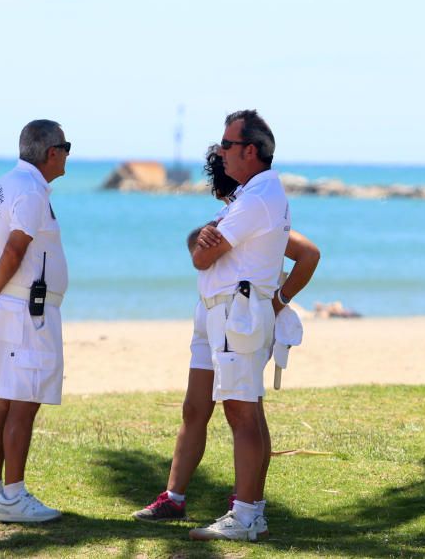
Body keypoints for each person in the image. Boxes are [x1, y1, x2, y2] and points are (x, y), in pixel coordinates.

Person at [132, 145, 319, 531]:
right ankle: (174, 497)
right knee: (195, 407)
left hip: (239, 316)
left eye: (223, 190)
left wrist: (278, 301)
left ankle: (247, 505)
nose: (223, 197)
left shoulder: (256, 208)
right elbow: (199, 249)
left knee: (245, 410)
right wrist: (207, 238)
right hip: (212, 312)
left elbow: (309, 254)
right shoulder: (234, 210)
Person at [181, 110, 292, 542]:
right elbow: (207, 248)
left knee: (241, 412)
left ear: (251, 150)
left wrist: (207, 240)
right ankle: (252, 511)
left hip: (237, 312)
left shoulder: (256, 197)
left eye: (227, 144)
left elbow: (203, 256)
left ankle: (245, 515)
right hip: (237, 310)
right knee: (248, 410)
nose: (220, 151)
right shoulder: (257, 194)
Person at [0, 120, 71, 523]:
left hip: (5, 305)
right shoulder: (30, 191)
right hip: (27, 310)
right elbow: (14, 246)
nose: (66, 155)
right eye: (66, 146)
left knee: (3, 402)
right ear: (51, 153)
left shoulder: (3, 185)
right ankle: (13, 497)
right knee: (22, 404)